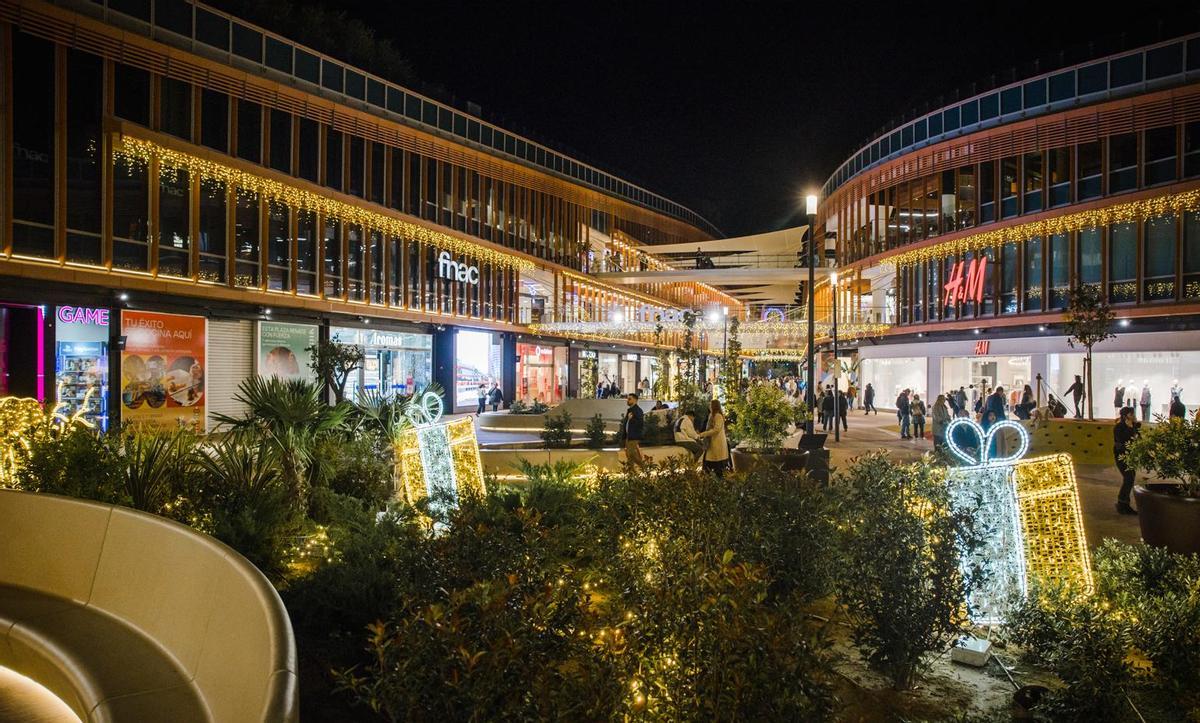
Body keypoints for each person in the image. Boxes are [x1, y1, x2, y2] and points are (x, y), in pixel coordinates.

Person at [1113, 407, 1141, 515]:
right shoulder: (1118, 427)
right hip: (1121, 456)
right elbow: (1121, 440)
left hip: (1131, 455)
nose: (1134, 415)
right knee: (1128, 477)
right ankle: (1122, 503)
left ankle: (1124, 504)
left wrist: (1135, 428)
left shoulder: (1135, 426)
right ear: (1125, 416)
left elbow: (1138, 439)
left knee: (1130, 478)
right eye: (1131, 414)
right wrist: (1130, 428)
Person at [697, 399, 730, 478]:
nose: (709, 406)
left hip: (716, 443)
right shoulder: (712, 415)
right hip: (711, 443)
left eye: (710, 405)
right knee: (709, 462)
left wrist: (702, 434)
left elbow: (716, 430)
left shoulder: (718, 416)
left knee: (716, 464)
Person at [622, 393, 647, 467]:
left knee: (631, 454)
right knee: (629, 455)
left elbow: (640, 423)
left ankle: (644, 467)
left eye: (630, 399)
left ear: (635, 400)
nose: (627, 400)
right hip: (629, 436)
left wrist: (631, 419)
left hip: (633, 436)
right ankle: (632, 473)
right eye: (627, 399)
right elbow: (627, 423)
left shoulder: (638, 410)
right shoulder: (630, 410)